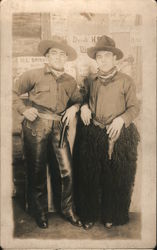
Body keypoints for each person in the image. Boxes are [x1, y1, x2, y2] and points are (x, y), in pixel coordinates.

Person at [13, 36, 83, 229]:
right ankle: (40, 212)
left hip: (58, 128)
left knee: (66, 172)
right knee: (36, 172)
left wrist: (74, 107)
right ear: (46, 56)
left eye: (63, 54)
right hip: (35, 126)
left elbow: (78, 99)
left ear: (66, 58)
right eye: (54, 53)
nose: (59, 57)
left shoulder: (70, 80)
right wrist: (24, 109)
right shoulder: (33, 74)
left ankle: (67, 210)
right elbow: (11, 93)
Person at [73, 35, 140, 230]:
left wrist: (121, 120)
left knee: (116, 176)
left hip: (118, 134)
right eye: (100, 56)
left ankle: (112, 214)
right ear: (96, 59)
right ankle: (89, 214)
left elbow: (134, 108)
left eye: (107, 56)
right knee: (89, 176)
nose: (103, 59)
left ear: (115, 58)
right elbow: (84, 99)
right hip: (94, 132)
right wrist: (84, 106)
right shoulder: (91, 80)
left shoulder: (126, 81)